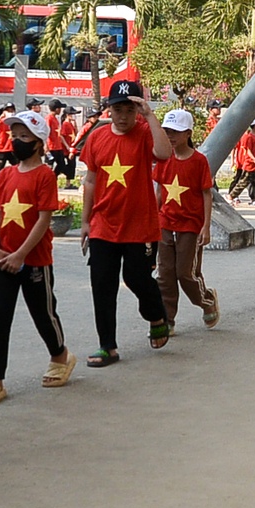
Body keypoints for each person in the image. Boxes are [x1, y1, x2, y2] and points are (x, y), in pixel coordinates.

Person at [0, 111, 76, 398]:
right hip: (3, 260)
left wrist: (21, 254)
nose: (16, 141)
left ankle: (60, 355)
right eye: (14, 136)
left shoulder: (45, 175)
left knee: (43, 313)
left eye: (24, 137)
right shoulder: (5, 174)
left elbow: (43, 219)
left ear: (38, 143)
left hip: (34, 260)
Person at [77, 78, 166, 365]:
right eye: (119, 110)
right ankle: (107, 345)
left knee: (136, 278)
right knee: (102, 283)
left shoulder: (143, 133)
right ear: (109, 111)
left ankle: (156, 315)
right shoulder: (97, 137)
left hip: (138, 224)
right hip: (103, 222)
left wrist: (149, 115)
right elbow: (90, 180)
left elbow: (164, 154)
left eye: (130, 110)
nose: (124, 116)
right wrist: (85, 222)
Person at [153, 107, 221, 334]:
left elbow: (206, 194)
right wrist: (153, 219)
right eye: (167, 131)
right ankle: (168, 317)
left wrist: (206, 226)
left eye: (176, 132)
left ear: (188, 133)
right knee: (165, 274)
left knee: (185, 273)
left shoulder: (199, 161)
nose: (171, 136)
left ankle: (206, 300)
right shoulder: (164, 159)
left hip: (190, 226)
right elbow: (160, 191)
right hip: (165, 223)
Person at [229, 115, 255, 206]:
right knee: (243, 182)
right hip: (250, 165)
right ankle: (231, 196)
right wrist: (254, 160)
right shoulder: (248, 137)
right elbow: (247, 150)